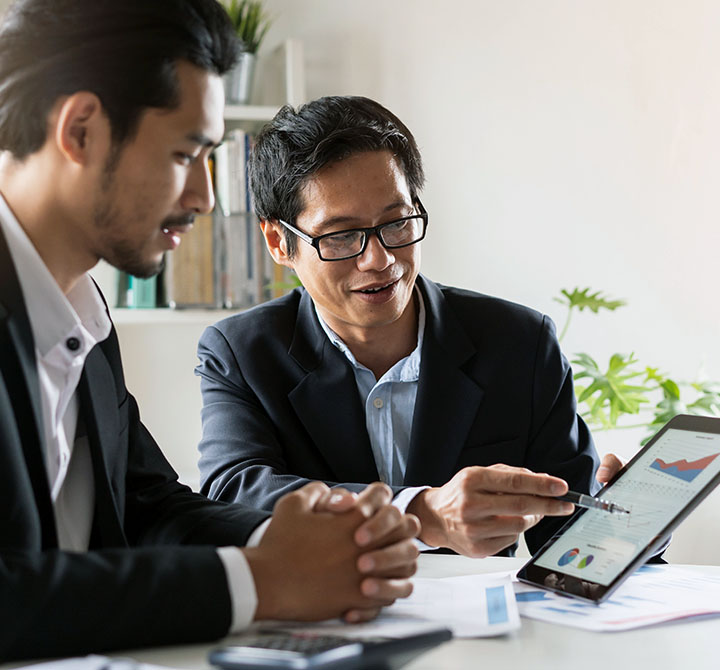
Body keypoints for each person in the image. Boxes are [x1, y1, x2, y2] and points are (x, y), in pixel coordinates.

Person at [0, 4, 420, 662]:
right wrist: (261, 582)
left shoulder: (82, 311)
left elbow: (144, 504)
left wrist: (301, 543)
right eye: (184, 154)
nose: (203, 197)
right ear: (80, 130)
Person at [196, 95, 626, 558]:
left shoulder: (520, 344)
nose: (379, 260)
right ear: (279, 242)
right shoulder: (241, 353)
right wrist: (421, 513)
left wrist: (633, 517)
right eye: (342, 236)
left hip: (481, 625)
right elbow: (235, 492)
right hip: (328, 619)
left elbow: (576, 545)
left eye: (397, 223)